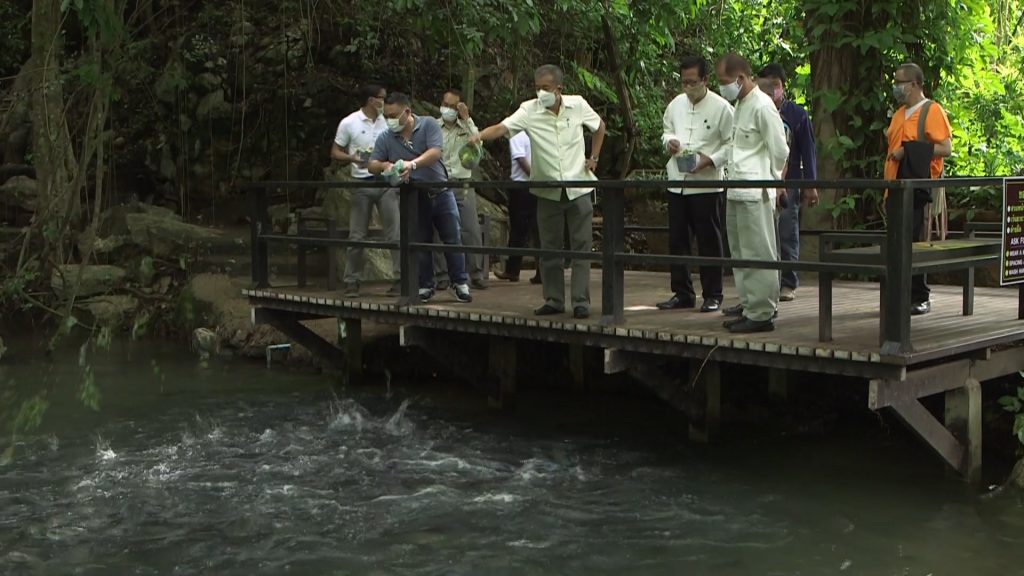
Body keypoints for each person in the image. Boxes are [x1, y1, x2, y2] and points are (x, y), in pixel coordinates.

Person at [471, 64, 606, 319]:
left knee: (581, 248)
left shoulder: (577, 105)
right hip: (547, 191)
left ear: (559, 89)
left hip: (578, 187)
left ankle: (581, 301)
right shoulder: (529, 110)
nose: (541, 93)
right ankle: (554, 299)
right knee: (549, 249)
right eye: (537, 88)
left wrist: (594, 158)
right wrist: (479, 136)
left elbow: (600, 127)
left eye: (546, 88)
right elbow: (502, 127)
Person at [368, 92, 472, 303]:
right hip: (415, 197)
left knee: (452, 237)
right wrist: (385, 165)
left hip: (441, 191)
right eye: (386, 116)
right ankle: (426, 285)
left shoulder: (428, 124)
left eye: (393, 115)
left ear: (407, 112)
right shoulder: (386, 137)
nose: (389, 120)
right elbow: (372, 164)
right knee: (421, 241)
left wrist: (412, 164)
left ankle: (459, 282)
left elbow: (435, 152)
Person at [716, 53, 789, 333]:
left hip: (756, 191)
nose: (722, 87)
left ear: (740, 78)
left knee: (759, 251)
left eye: (724, 81)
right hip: (735, 188)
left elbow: (780, 150)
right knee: (739, 251)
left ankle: (762, 312)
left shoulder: (762, 105)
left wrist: (770, 180)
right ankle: (749, 305)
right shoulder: (740, 105)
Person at [656, 55, 733, 314]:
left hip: (707, 184)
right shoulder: (675, 105)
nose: (688, 87)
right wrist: (669, 142)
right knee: (678, 239)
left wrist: (710, 160)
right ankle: (682, 293)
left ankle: (713, 294)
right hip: (677, 181)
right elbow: (666, 130)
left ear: (705, 80)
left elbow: (732, 144)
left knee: (709, 240)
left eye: (692, 82)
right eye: (684, 82)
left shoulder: (722, 108)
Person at [883, 62, 953, 316]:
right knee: (897, 242)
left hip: (919, 188)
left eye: (899, 82)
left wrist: (909, 151)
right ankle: (899, 295)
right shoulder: (899, 114)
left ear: (913, 84)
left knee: (917, 242)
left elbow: (946, 148)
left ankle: (920, 296)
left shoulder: (931, 110)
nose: (895, 87)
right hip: (895, 185)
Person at [329, 83, 400, 297]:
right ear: (371, 100)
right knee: (357, 234)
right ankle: (352, 281)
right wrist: (352, 158)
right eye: (382, 98)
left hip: (386, 182)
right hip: (361, 182)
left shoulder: (388, 121)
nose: (384, 102)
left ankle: (400, 279)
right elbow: (335, 151)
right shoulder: (349, 122)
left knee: (394, 233)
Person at [758, 63, 819, 302]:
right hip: (761, 180)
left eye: (776, 85)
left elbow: (808, 151)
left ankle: (788, 282)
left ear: (783, 86)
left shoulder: (797, 115)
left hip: (790, 181)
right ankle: (766, 282)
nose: (771, 90)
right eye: (767, 85)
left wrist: (811, 185)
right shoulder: (756, 110)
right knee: (764, 234)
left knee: (787, 231)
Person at [433, 89, 488, 290]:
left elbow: (478, 145)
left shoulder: (466, 127)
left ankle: (476, 273)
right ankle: (441, 275)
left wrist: (467, 119)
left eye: (452, 106)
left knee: (470, 229)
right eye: (445, 104)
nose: (447, 109)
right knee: (438, 230)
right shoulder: (433, 126)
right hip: (439, 182)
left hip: (462, 183)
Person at [494, 131, 542, 284]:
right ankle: (514, 270)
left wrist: (537, 177)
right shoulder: (521, 135)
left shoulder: (533, 133)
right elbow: (520, 158)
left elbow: (523, 158)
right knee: (522, 228)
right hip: (524, 185)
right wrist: (536, 177)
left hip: (531, 186)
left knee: (533, 228)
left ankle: (538, 271)